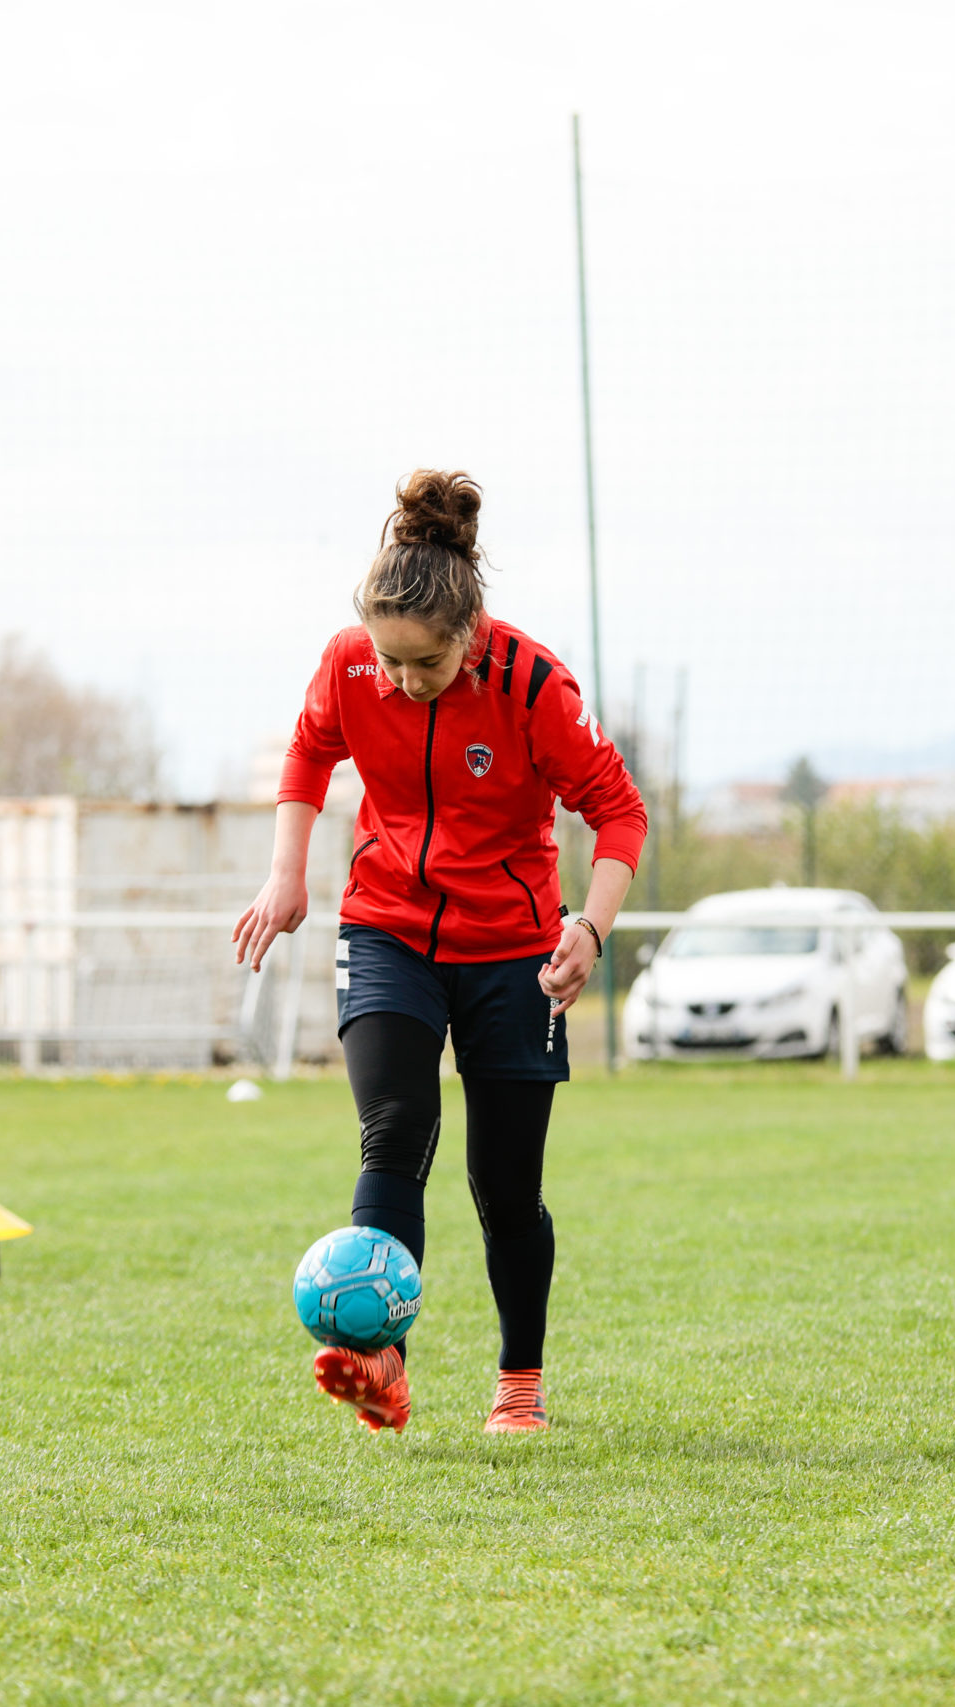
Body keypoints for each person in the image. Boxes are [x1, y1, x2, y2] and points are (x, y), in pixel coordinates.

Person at [233, 469, 646, 1435]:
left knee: (506, 1187)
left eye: (424, 663)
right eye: (388, 660)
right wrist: (287, 874)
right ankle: (383, 1365)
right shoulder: (348, 665)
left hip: (514, 951)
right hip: (387, 927)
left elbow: (618, 811)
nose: (401, 681)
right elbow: (308, 748)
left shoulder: (534, 684)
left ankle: (519, 1383)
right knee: (394, 1125)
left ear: (470, 631)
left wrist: (589, 927)